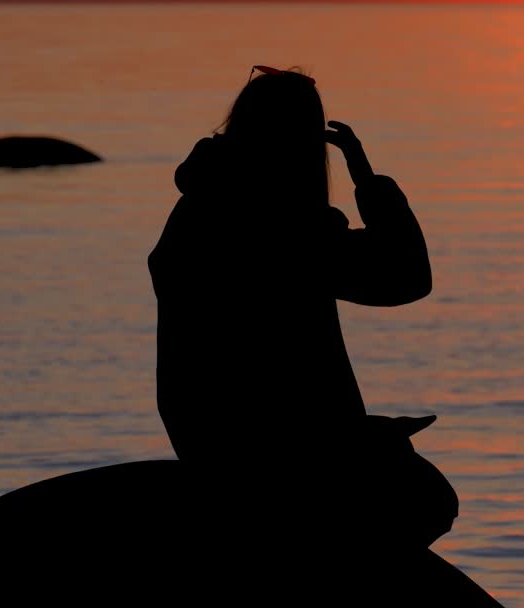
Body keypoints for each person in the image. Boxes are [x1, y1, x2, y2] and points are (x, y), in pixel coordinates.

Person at [147, 65, 455, 551]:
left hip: (207, 436)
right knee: (428, 501)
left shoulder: (199, 207)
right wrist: (367, 180)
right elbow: (406, 278)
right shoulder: (281, 225)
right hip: (273, 452)